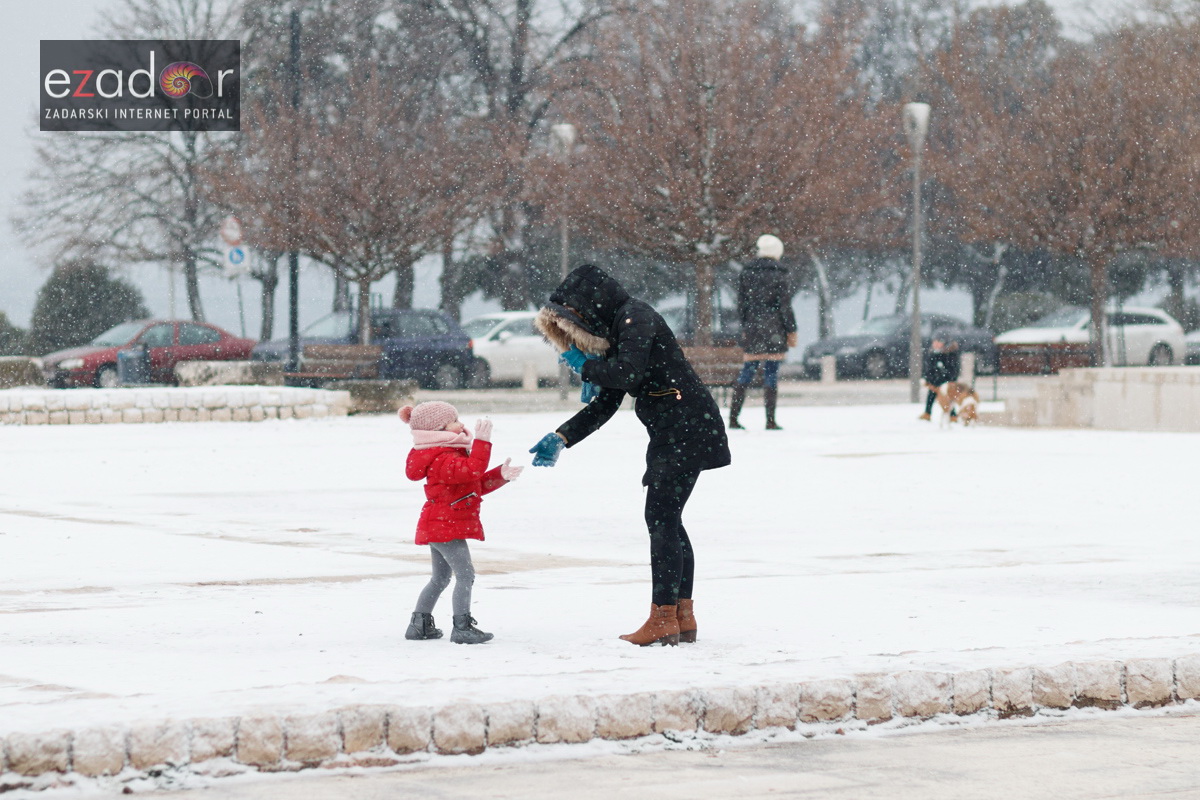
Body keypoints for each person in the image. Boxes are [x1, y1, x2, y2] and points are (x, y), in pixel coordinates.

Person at [529, 265, 731, 647]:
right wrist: (562, 436)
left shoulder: (635, 316)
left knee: (662, 519)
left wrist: (587, 367)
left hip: (686, 426)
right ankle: (680, 615)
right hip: (677, 428)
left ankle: (664, 618)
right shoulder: (620, 328)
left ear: (589, 305)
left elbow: (626, 374)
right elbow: (607, 403)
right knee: (668, 520)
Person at [399, 401, 523, 644]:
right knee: (465, 575)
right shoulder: (442, 457)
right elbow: (472, 470)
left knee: (440, 579)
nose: (461, 424)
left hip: (440, 524)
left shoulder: (446, 453)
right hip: (445, 526)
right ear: (439, 429)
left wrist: (499, 476)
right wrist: (483, 442)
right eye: (454, 421)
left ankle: (418, 625)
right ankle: (462, 627)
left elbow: (470, 486)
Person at [729, 234, 798, 430]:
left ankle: (733, 417)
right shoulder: (780, 274)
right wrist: (791, 329)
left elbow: (741, 304)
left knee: (748, 371)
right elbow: (785, 306)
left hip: (753, 328)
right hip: (775, 329)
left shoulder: (747, 272)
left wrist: (746, 324)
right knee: (771, 372)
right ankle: (770, 420)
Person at [920, 335, 961, 421]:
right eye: (934, 342)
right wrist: (928, 379)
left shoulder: (950, 354)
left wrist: (948, 379)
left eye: (938, 342)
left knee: (948, 398)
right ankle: (927, 413)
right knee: (931, 394)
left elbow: (953, 369)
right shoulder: (933, 353)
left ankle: (953, 415)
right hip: (935, 381)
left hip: (946, 381)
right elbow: (929, 369)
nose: (935, 344)